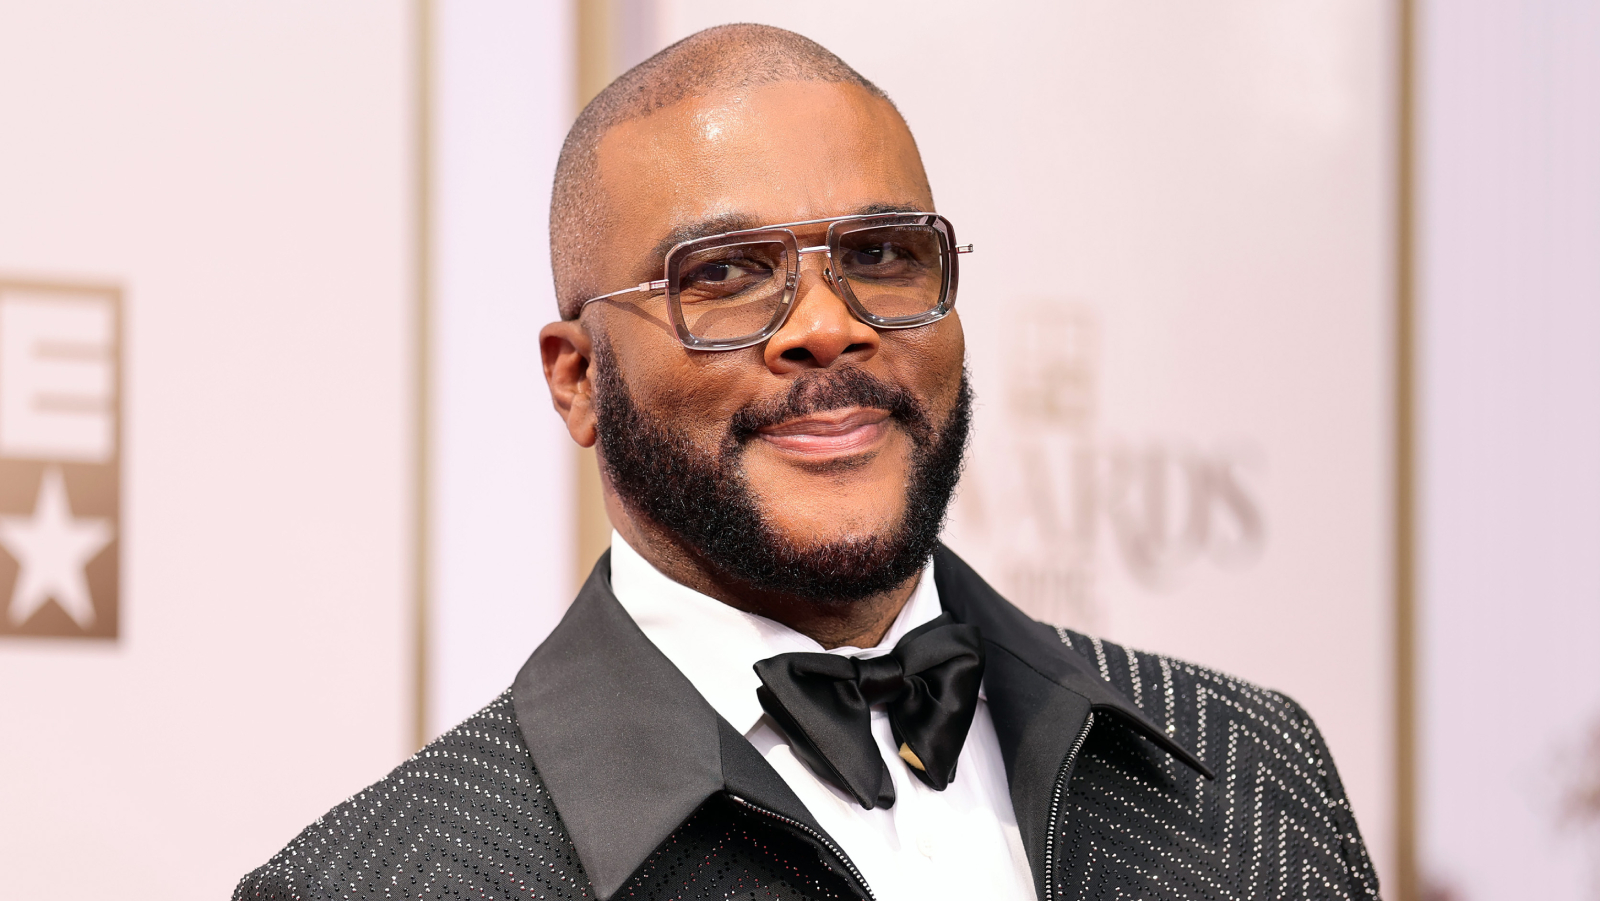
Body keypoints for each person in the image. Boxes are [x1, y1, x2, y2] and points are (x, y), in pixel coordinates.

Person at [236, 24, 1378, 901]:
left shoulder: (1246, 770)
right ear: (577, 379)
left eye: (880, 254)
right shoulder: (388, 881)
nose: (826, 325)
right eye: (724, 274)